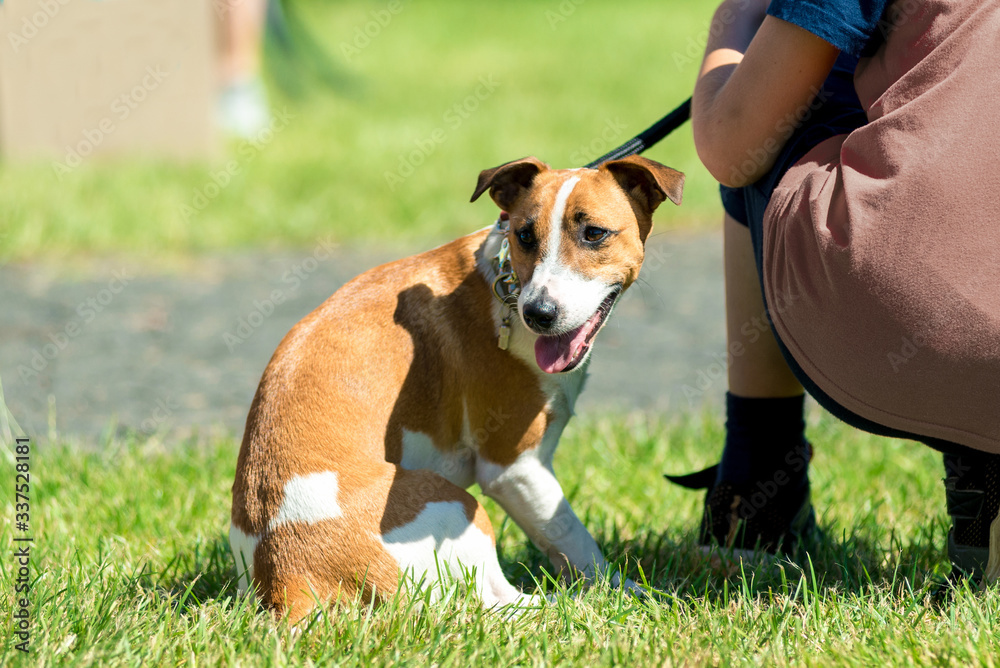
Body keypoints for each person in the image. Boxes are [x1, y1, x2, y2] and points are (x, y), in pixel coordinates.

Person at [674, 0, 1000, 578]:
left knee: (774, 118)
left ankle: (756, 488)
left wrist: (737, 23)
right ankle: (985, 478)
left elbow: (730, 145)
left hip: (923, 323)